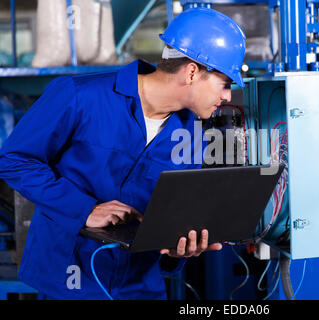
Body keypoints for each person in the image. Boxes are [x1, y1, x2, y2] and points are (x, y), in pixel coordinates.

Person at [0, 8, 246, 299]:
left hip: (140, 286)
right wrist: (85, 210)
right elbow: (14, 160)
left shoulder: (194, 135)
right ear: (192, 72)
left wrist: (178, 249)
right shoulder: (80, 96)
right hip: (69, 279)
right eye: (225, 83)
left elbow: (169, 217)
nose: (228, 96)